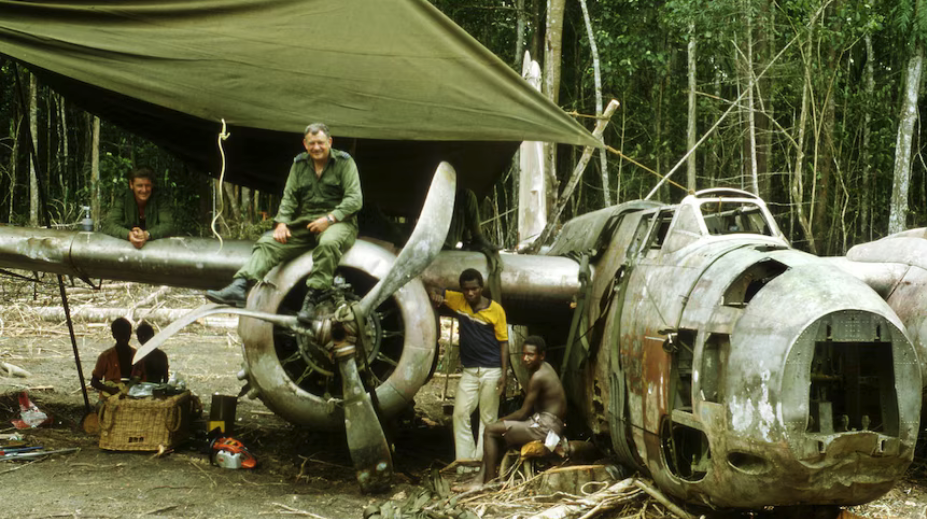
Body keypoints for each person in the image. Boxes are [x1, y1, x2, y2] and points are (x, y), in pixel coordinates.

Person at [206, 123, 362, 323]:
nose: (316, 148)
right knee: (268, 242)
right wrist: (282, 223)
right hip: (307, 223)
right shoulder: (299, 164)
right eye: (312, 143)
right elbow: (289, 198)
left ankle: (313, 298)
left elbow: (354, 200)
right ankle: (240, 286)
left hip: (340, 222)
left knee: (328, 243)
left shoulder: (344, 163)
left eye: (321, 143)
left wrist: (329, 219)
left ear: (329, 142)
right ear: (305, 144)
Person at [454, 335, 567, 492]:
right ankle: (480, 479)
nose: (525, 358)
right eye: (524, 354)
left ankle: (488, 482)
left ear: (541, 356)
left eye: (531, 355)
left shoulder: (539, 376)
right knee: (494, 433)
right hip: (545, 423)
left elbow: (522, 413)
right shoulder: (544, 367)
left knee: (490, 430)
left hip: (545, 427)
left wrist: (501, 420)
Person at [430, 268, 508, 462]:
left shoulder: (496, 309)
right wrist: (436, 296)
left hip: (491, 370)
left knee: (487, 418)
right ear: (462, 289)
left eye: (474, 289)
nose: (470, 293)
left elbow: (504, 342)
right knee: (460, 414)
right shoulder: (458, 300)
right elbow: (432, 288)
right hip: (470, 370)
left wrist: (504, 373)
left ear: (481, 288)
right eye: (466, 289)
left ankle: (483, 461)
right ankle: (466, 462)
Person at [101, 166, 176, 249]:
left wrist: (147, 234)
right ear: (131, 185)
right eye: (139, 185)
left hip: (156, 249)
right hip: (124, 249)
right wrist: (129, 235)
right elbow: (109, 225)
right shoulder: (123, 198)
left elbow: (169, 226)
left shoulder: (159, 198)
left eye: (147, 185)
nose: (144, 190)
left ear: (152, 185)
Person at [90, 318, 136, 395]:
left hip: (131, 394)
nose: (124, 338)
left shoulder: (136, 355)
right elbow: (94, 381)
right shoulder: (105, 357)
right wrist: (109, 389)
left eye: (126, 334)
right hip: (111, 396)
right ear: (114, 335)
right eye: (120, 335)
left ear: (130, 334)